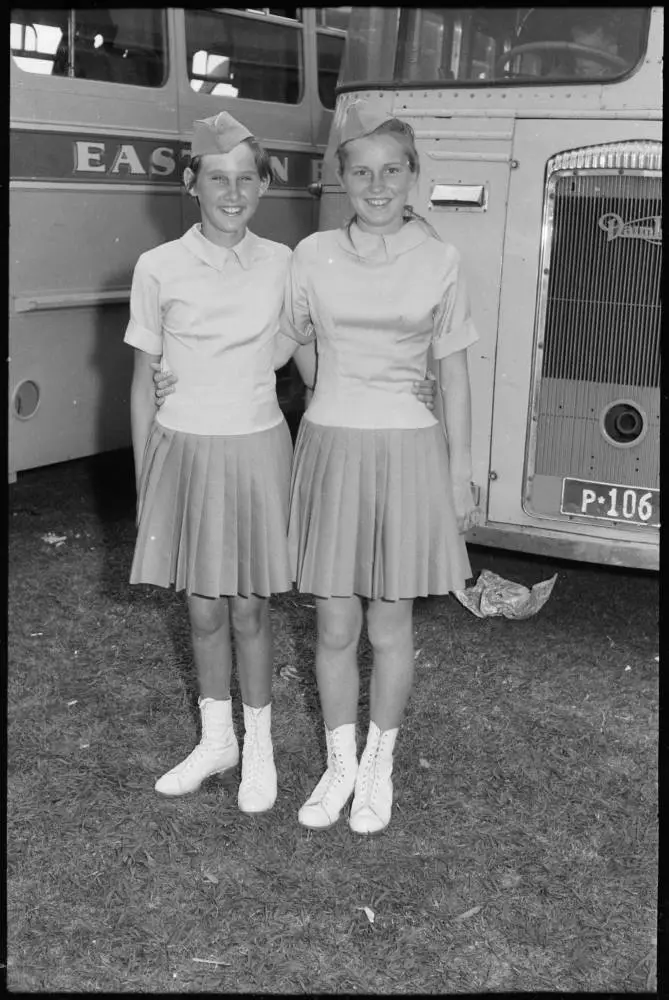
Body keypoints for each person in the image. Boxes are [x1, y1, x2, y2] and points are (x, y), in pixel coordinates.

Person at [134, 110, 437, 813]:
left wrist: (403, 382)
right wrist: (154, 432)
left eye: (246, 179)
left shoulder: (287, 261)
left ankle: (260, 751)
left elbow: (313, 352)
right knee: (201, 608)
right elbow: (143, 369)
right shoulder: (157, 267)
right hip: (187, 447)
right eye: (217, 179)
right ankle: (218, 740)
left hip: (260, 447)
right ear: (192, 185)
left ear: (264, 187)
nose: (232, 193)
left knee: (250, 608)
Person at [271, 102, 479, 835]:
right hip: (330, 447)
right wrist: (328, 379)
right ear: (341, 180)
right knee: (333, 624)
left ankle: (376, 769)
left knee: (388, 626)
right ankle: (337, 766)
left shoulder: (439, 258)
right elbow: (287, 338)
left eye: (392, 170)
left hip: (408, 452)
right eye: (360, 171)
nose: (377, 184)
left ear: (413, 176)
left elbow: (452, 376)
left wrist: (459, 476)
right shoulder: (312, 254)